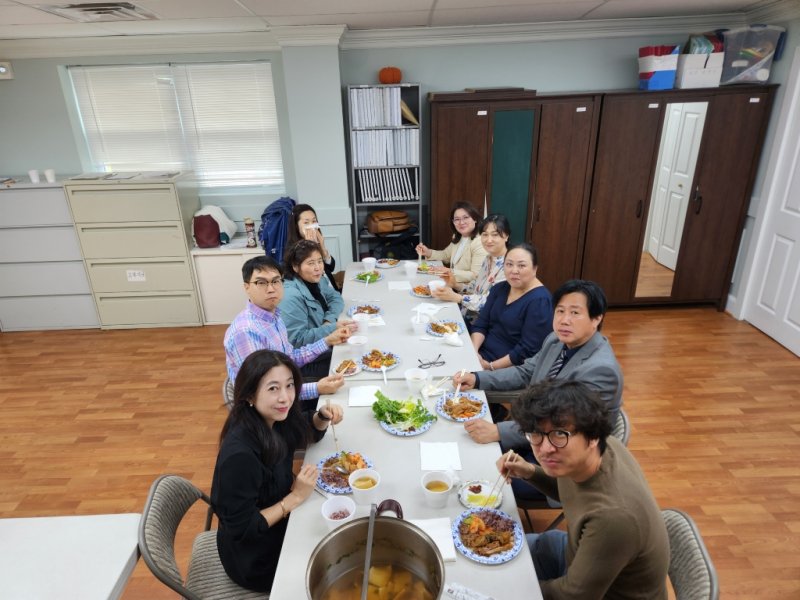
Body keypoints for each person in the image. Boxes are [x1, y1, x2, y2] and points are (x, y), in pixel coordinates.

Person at [498, 380, 669, 598]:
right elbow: (573, 492)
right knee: (491, 553)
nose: (545, 449)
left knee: (498, 582)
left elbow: (573, 595)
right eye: (535, 434)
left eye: (560, 434)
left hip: (599, 592)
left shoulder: (613, 518)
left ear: (592, 437)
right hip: (581, 553)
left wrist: (511, 591)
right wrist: (529, 471)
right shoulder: (597, 452)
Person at [211, 350, 344, 593]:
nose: (285, 397)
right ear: (250, 395)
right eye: (273, 388)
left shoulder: (273, 418)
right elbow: (244, 529)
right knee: (337, 564)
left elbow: (304, 429)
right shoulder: (240, 456)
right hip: (256, 558)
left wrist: (321, 417)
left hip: (282, 522)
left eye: (289, 385)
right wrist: (295, 497)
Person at [453, 279, 622, 452]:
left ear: (596, 319)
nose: (564, 320)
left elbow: (564, 425)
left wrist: (499, 431)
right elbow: (525, 372)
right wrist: (477, 378)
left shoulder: (601, 370)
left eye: (575, 313)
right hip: (532, 429)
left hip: (561, 451)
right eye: (560, 311)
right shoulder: (555, 340)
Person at [224, 255, 349, 407]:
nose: (271, 289)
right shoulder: (246, 332)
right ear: (247, 287)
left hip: (285, 381)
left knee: (346, 363)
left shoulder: (274, 316)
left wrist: (327, 341)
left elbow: (290, 357)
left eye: (276, 281)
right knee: (344, 394)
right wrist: (317, 388)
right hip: (269, 409)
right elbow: (263, 391)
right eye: (261, 283)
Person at [470, 243, 552, 373]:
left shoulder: (540, 301)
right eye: (509, 264)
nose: (514, 270)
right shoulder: (499, 288)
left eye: (521, 265)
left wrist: (491, 366)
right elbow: (481, 324)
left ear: (535, 268)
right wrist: (474, 352)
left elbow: (527, 350)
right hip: (479, 355)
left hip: (506, 369)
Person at [280, 240, 347, 376]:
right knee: (353, 360)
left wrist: (329, 320)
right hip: (307, 362)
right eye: (311, 263)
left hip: (324, 345)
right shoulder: (290, 296)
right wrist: (332, 328)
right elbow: (297, 341)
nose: (318, 268)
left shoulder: (316, 279)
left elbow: (336, 297)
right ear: (295, 267)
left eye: (320, 261)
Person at [431, 214, 510, 323]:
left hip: (485, 324)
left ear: (506, 236)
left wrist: (458, 298)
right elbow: (476, 287)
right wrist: (455, 284)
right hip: (469, 314)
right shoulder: (488, 258)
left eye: (495, 235)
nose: (489, 240)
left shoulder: (509, 265)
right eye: (485, 234)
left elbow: (491, 302)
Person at [415, 201, 486, 284]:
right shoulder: (458, 237)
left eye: (466, 217)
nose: (461, 222)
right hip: (453, 284)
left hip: (466, 289)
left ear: (475, 219)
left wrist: (449, 271)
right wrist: (428, 252)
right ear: (453, 222)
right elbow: (446, 255)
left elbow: (476, 275)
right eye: (457, 219)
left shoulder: (480, 242)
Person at [286, 203, 340, 290]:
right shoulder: (293, 250)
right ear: (296, 226)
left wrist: (322, 247)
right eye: (306, 223)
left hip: (332, 290)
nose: (311, 226)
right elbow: (310, 276)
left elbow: (331, 267)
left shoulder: (316, 241)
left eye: (314, 221)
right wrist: (309, 248)